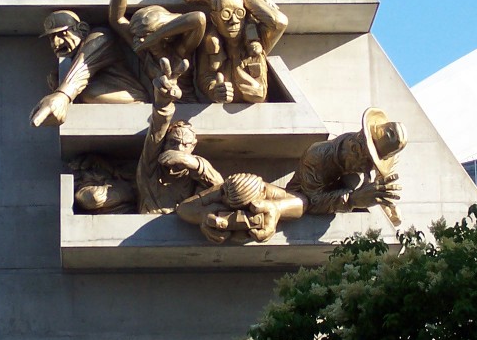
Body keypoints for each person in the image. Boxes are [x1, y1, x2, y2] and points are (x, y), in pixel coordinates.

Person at [177, 0, 288, 103]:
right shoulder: (210, 38)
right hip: (217, 45)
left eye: (239, 13)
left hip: (250, 32)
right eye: (226, 14)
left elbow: (279, 22)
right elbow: (204, 77)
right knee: (213, 43)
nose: (234, 20)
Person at [29, 9, 147, 127]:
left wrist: (62, 95)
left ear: (82, 29)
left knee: (87, 92)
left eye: (62, 34)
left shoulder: (99, 37)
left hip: (132, 96)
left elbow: (83, 66)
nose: (56, 43)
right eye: (51, 38)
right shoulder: (72, 58)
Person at [287, 107, 407, 222]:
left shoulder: (384, 151)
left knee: (355, 179)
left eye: (375, 162)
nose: (367, 169)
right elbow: (311, 201)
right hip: (298, 198)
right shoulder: (317, 156)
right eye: (369, 161)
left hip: (340, 189)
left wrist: (387, 205)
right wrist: (353, 200)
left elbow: (384, 178)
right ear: (355, 148)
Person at [108, 0, 206, 102]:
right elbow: (116, 20)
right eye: (138, 36)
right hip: (158, 105)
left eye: (146, 36)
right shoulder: (144, 52)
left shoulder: (180, 51)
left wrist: (156, 36)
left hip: (186, 106)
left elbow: (199, 19)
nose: (141, 40)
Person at [136, 57, 222, 214]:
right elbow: (157, 131)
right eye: (173, 143)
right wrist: (163, 102)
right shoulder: (152, 168)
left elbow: (221, 189)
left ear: (193, 146)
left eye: (185, 145)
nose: (179, 149)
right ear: (164, 144)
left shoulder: (194, 175)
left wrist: (192, 163)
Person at [176, 172, 305, 244]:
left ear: (262, 193)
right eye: (233, 208)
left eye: (248, 209)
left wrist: (276, 209)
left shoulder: (265, 189)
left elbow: (302, 201)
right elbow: (183, 208)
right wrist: (203, 215)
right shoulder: (221, 191)